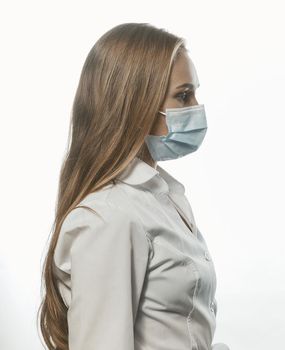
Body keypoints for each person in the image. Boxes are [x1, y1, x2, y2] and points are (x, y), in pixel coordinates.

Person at [39, 23, 229, 350]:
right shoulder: (108, 218)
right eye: (183, 95)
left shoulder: (162, 197)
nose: (197, 107)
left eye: (195, 93)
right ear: (136, 102)